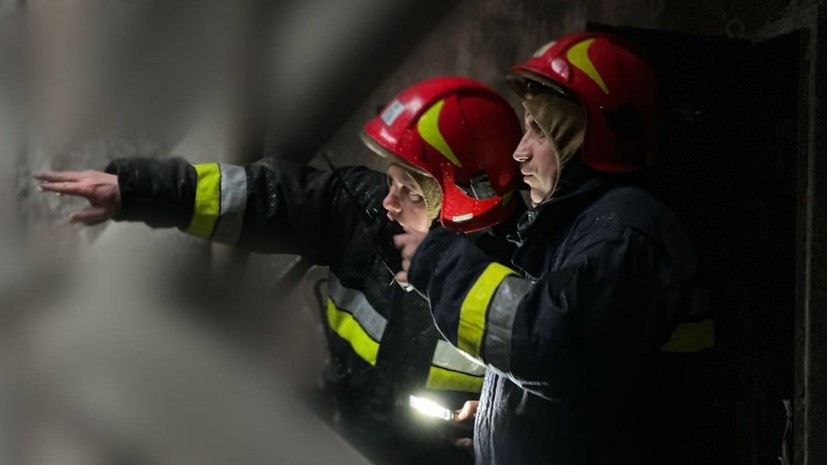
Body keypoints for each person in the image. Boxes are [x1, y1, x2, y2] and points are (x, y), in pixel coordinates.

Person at [35, 77, 524, 465]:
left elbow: (559, 383)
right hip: (350, 425)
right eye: (391, 182)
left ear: (464, 201)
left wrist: (498, 421)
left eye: (411, 191)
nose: (388, 201)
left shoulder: (522, 274)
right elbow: (259, 197)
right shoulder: (365, 211)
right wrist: (137, 190)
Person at [395, 33, 714, 465]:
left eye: (540, 132)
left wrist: (441, 267)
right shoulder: (578, 225)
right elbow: (580, 385)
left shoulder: (624, 233)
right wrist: (498, 419)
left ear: (590, 139)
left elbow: (548, 345)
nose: (518, 153)